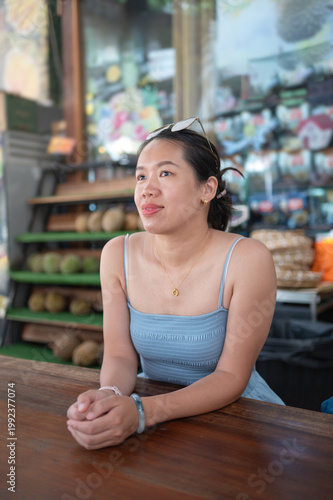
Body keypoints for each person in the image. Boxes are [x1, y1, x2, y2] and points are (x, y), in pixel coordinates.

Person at [67, 117, 284, 450]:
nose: (147, 188)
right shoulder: (117, 254)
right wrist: (108, 396)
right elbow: (121, 357)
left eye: (165, 173)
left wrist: (141, 412)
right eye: (141, 176)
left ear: (207, 190)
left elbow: (231, 378)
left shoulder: (247, 260)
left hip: (236, 417)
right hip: (150, 411)